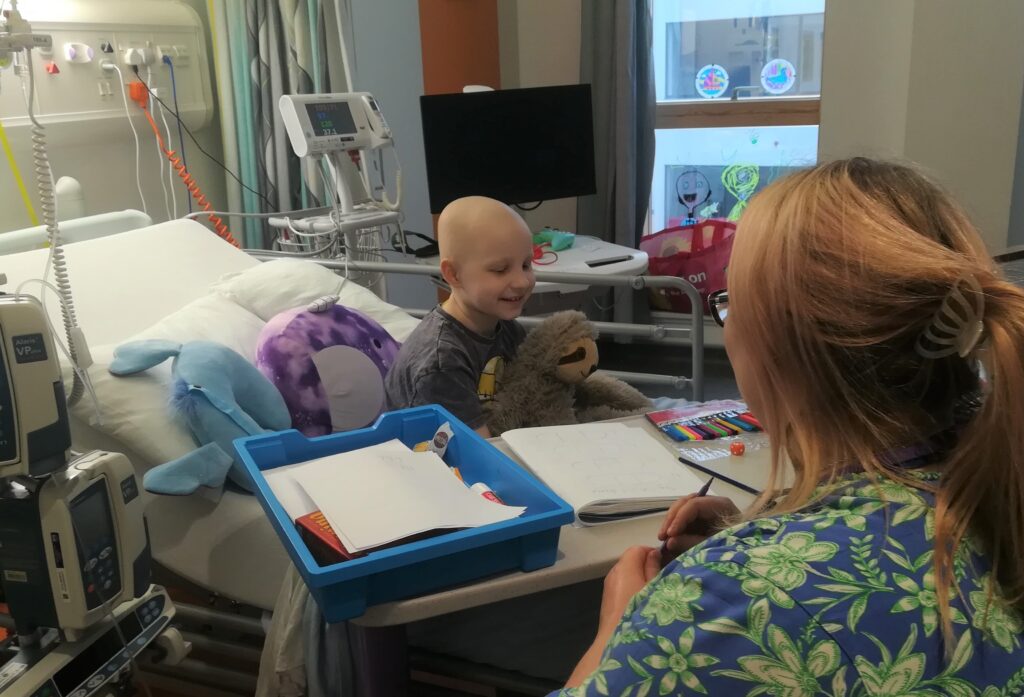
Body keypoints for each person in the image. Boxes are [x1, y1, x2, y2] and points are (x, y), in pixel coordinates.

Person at [554, 158, 1024, 695]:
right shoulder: (998, 477)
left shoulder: (729, 601)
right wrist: (766, 534)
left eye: (729, 305)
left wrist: (614, 633)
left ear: (781, 350)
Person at [384, 195, 535, 437]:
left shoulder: (506, 328)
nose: (521, 281)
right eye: (500, 270)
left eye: (526, 264)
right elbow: (480, 452)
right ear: (453, 274)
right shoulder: (441, 361)